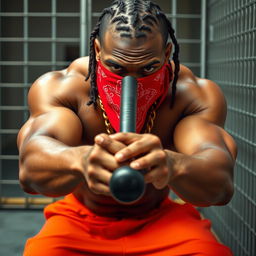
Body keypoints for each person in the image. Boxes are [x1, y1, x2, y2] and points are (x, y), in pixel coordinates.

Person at [18, 1, 237, 255]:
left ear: (167, 54)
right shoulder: (63, 88)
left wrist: (173, 164)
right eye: (117, 67)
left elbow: (221, 185)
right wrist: (80, 159)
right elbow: (30, 169)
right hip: (81, 219)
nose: (131, 80)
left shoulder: (192, 94)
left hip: (160, 220)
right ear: (97, 50)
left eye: (149, 68)